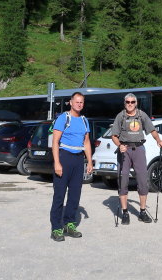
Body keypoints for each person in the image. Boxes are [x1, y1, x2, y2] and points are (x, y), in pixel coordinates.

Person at [110, 93, 162, 225]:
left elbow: (152, 130)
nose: (130, 104)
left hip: (139, 149)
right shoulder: (121, 116)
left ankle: (142, 212)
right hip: (124, 150)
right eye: (127, 102)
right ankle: (125, 213)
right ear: (124, 103)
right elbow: (114, 135)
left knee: (142, 180)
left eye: (132, 102)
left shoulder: (142, 115)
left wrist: (159, 140)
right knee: (123, 180)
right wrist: (119, 145)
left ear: (136, 103)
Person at [50, 92, 93, 242]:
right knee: (59, 195)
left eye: (82, 102)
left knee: (75, 195)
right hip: (64, 157)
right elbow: (55, 142)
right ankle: (56, 228)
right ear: (71, 102)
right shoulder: (63, 118)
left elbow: (86, 142)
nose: (79, 104)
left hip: (78, 159)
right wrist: (57, 162)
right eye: (77, 102)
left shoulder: (84, 120)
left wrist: (90, 161)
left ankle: (69, 224)